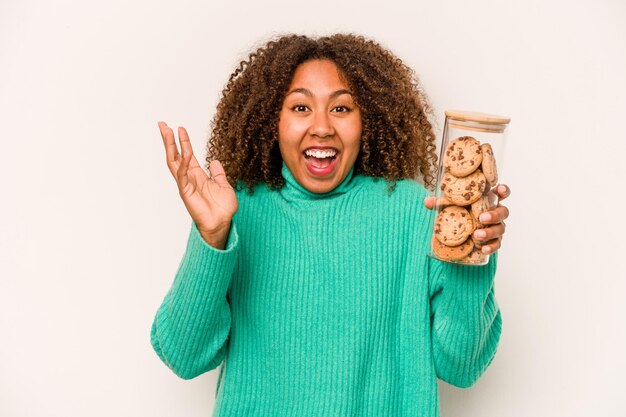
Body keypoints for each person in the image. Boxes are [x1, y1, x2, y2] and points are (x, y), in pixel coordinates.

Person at [151, 33, 510, 417]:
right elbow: (183, 355)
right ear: (272, 119)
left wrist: (473, 252)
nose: (321, 127)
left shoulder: (417, 212)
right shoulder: (235, 210)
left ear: (367, 119)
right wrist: (211, 237)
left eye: (341, 109)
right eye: (301, 107)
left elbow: (463, 366)